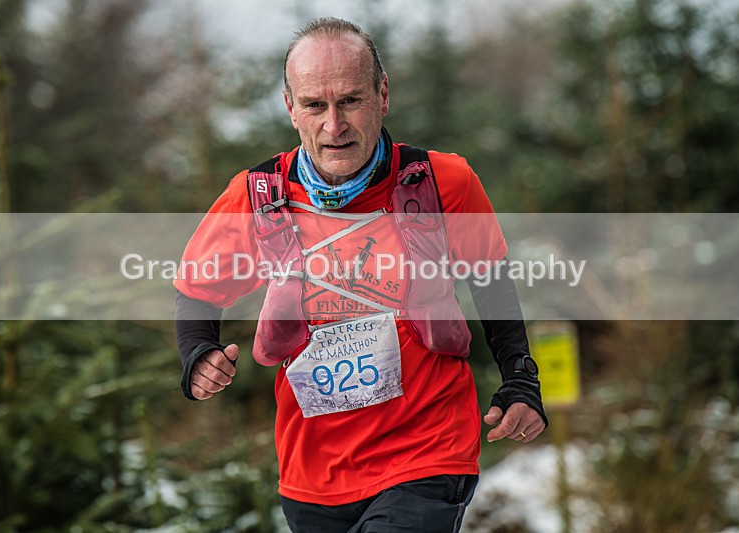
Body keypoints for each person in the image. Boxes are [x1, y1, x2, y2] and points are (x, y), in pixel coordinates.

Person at [174, 17, 547, 532]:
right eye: (314, 105)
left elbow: (491, 282)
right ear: (290, 108)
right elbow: (196, 290)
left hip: (426, 452)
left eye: (350, 100)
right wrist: (198, 352)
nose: (334, 125)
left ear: (382, 94)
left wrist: (520, 379)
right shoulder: (257, 197)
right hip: (313, 470)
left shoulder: (445, 184)